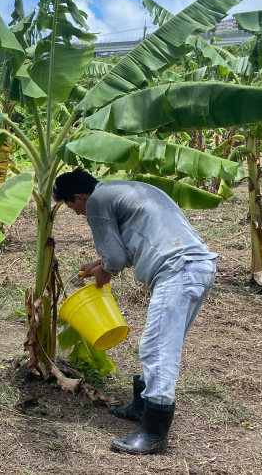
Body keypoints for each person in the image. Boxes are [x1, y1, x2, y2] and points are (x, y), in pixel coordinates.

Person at [53, 168, 218, 455]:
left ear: (79, 197)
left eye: (72, 207)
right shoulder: (121, 189)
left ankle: (154, 434)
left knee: (157, 349)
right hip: (198, 266)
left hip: (177, 270)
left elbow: (115, 258)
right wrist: (98, 264)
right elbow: (130, 245)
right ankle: (142, 407)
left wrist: (105, 270)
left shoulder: (96, 202)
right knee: (161, 344)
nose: (78, 214)